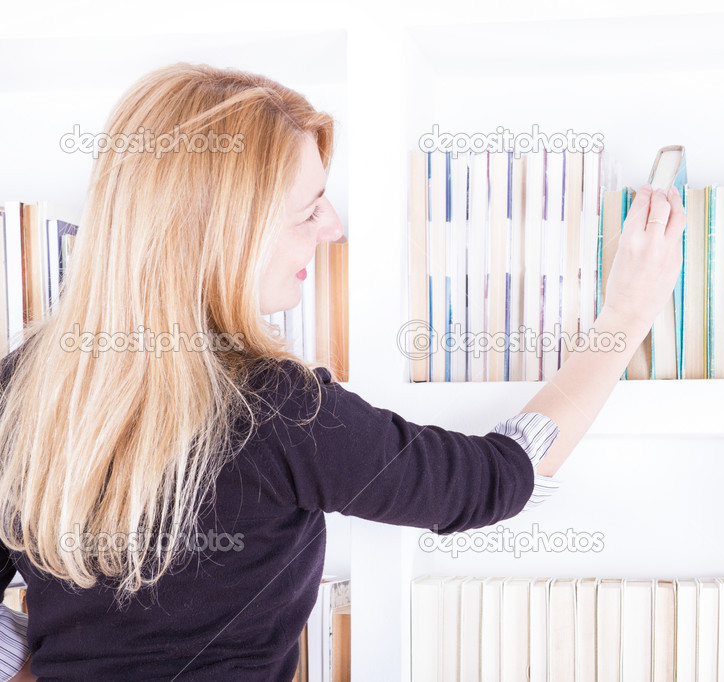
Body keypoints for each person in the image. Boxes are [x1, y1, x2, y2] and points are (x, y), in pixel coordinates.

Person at [0, 62, 684, 679]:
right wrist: (625, 317)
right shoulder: (275, 409)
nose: (331, 227)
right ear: (227, 238)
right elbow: (497, 479)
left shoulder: (22, 388)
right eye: (308, 209)